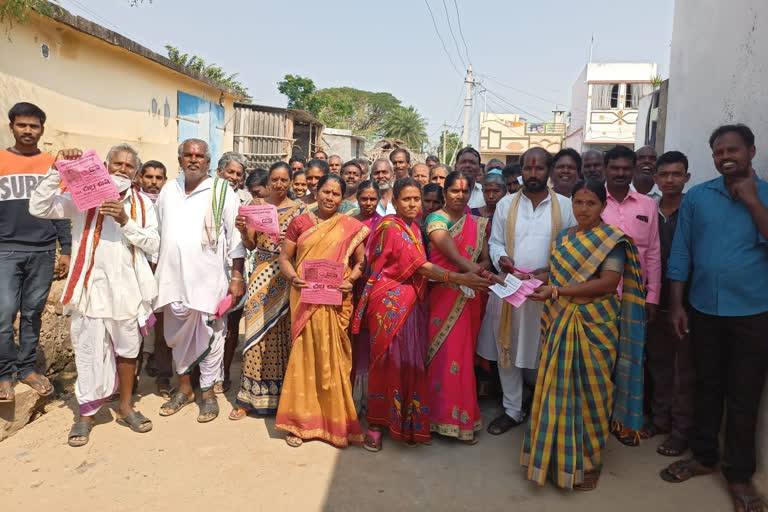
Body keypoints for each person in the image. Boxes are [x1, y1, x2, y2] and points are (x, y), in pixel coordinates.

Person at [661, 125, 768, 512]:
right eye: (719, 150)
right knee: (706, 385)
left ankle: (739, 475)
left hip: (753, 312)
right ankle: (704, 456)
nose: (726, 155)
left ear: (751, 151)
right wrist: (677, 305)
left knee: (744, 395)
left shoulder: (766, 194)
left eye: (733, 149)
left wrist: (754, 202)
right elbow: (681, 256)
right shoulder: (698, 199)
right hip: (703, 309)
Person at [30, 143, 159, 446]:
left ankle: (126, 408)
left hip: (127, 293)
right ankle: (85, 417)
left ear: (136, 173)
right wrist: (56, 169)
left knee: (128, 351)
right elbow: (39, 207)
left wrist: (125, 220)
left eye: (128, 166)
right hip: (90, 292)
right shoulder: (82, 198)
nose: (122, 170)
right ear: (104, 165)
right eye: (117, 164)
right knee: (87, 352)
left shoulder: (142, 204)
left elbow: (153, 244)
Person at [522, 179, 646, 490]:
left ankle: (589, 461)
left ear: (603, 206)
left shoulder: (612, 240)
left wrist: (557, 291)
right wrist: (534, 278)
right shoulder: (564, 238)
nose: (583, 209)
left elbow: (607, 282)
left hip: (594, 323)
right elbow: (557, 272)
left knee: (593, 395)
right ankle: (553, 457)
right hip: (561, 319)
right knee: (555, 391)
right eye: (578, 202)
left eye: (590, 203)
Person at [353, 177, 492, 451]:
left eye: (416, 199)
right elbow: (422, 267)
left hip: (413, 302)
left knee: (409, 364)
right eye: (406, 199)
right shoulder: (391, 227)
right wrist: (461, 278)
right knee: (386, 364)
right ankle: (376, 426)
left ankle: (405, 422)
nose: (413, 203)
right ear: (393, 202)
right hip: (390, 305)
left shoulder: (415, 227)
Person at [482, 147, 576, 435]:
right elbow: (495, 242)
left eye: (539, 168)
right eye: (527, 168)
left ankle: (540, 408)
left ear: (548, 170)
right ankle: (512, 409)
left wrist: (549, 273)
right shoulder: (506, 205)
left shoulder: (566, 205)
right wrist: (503, 260)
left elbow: (572, 248)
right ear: (520, 170)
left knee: (543, 351)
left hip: (547, 292)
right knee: (507, 347)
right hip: (510, 290)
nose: (532, 174)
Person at [154, 138, 245, 423]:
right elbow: (158, 232)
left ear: (208, 161)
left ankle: (207, 393)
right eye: (188, 155)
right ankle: (184, 390)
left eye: (200, 156)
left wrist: (237, 276)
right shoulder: (169, 189)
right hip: (173, 281)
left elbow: (236, 238)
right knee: (176, 336)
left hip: (209, 280)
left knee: (212, 335)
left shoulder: (222, 191)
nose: (193, 160)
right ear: (179, 159)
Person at [275, 174, 369, 448]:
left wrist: (349, 281)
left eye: (336, 194)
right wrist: (293, 277)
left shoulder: (350, 226)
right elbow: (284, 258)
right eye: (326, 192)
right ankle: (299, 425)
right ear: (316, 192)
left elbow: (361, 261)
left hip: (335, 301)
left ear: (342, 198)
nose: (330, 198)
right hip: (305, 298)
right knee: (303, 359)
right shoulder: (300, 222)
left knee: (333, 363)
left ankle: (334, 423)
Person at [0, 102, 70, 402]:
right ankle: (4, 374)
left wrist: (65, 249)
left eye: (34, 126)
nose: (28, 131)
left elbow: (63, 211)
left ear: (42, 129)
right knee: (3, 315)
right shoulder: (1, 160)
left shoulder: (53, 165)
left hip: (43, 251)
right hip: (6, 249)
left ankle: (26, 368)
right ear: (12, 127)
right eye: (22, 125)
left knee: (32, 314)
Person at [424, 171, 498, 443]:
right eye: (454, 190)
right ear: (445, 192)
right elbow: (452, 256)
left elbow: (485, 258)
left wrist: (484, 272)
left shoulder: (477, 224)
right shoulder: (436, 220)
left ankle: (462, 420)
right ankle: (435, 418)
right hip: (443, 295)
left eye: (465, 192)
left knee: (463, 359)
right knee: (442, 357)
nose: (460, 196)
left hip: (469, 297)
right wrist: (488, 277)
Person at [230, 162, 307, 419]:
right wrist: (243, 231)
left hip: (287, 277)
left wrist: (291, 246)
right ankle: (248, 398)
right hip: (262, 273)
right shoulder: (256, 207)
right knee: (255, 333)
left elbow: (306, 247)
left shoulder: (301, 211)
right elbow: (250, 245)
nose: (279, 184)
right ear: (268, 181)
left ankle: (282, 398)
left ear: (290, 182)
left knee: (283, 336)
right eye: (275, 179)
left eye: (284, 180)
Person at [601, 145, 661, 444]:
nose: (621, 173)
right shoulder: (594, 201)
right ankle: (599, 419)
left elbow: (653, 254)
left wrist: (653, 296)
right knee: (601, 359)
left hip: (635, 297)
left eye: (627, 168)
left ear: (634, 168)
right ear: (605, 169)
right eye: (616, 168)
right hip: (599, 294)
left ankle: (624, 424)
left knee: (630, 360)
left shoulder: (648, 206)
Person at [640, 150, 694, 458]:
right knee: (658, 364)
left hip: (686, 303)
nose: (670, 179)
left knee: (684, 370)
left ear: (686, 177)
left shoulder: (693, 209)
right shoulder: (650, 209)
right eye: (665, 175)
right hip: (652, 301)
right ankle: (659, 420)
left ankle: (681, 430)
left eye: (677, 174)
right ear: (656, 179)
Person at [215, 152, 250, 393]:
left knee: (230, 327)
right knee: (208, 324)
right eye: (230, 172)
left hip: (235, 268)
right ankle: (202, 374)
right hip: (209, 271)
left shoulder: (245, 200)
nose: (234, 177)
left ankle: (224, 373)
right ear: (219, 172)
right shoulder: (206, 195)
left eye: (238, 174)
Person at [350, 180, 383, 412]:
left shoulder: (386, 224)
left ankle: (371, 397)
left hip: (376, 288)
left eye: (373, 199)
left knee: (372, 339)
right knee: (354, 338)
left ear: (379, 199)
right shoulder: (349, 223)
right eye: (364, 199)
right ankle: (353, 396)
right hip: (351, 286)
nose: (368, 203)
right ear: (358, 199)